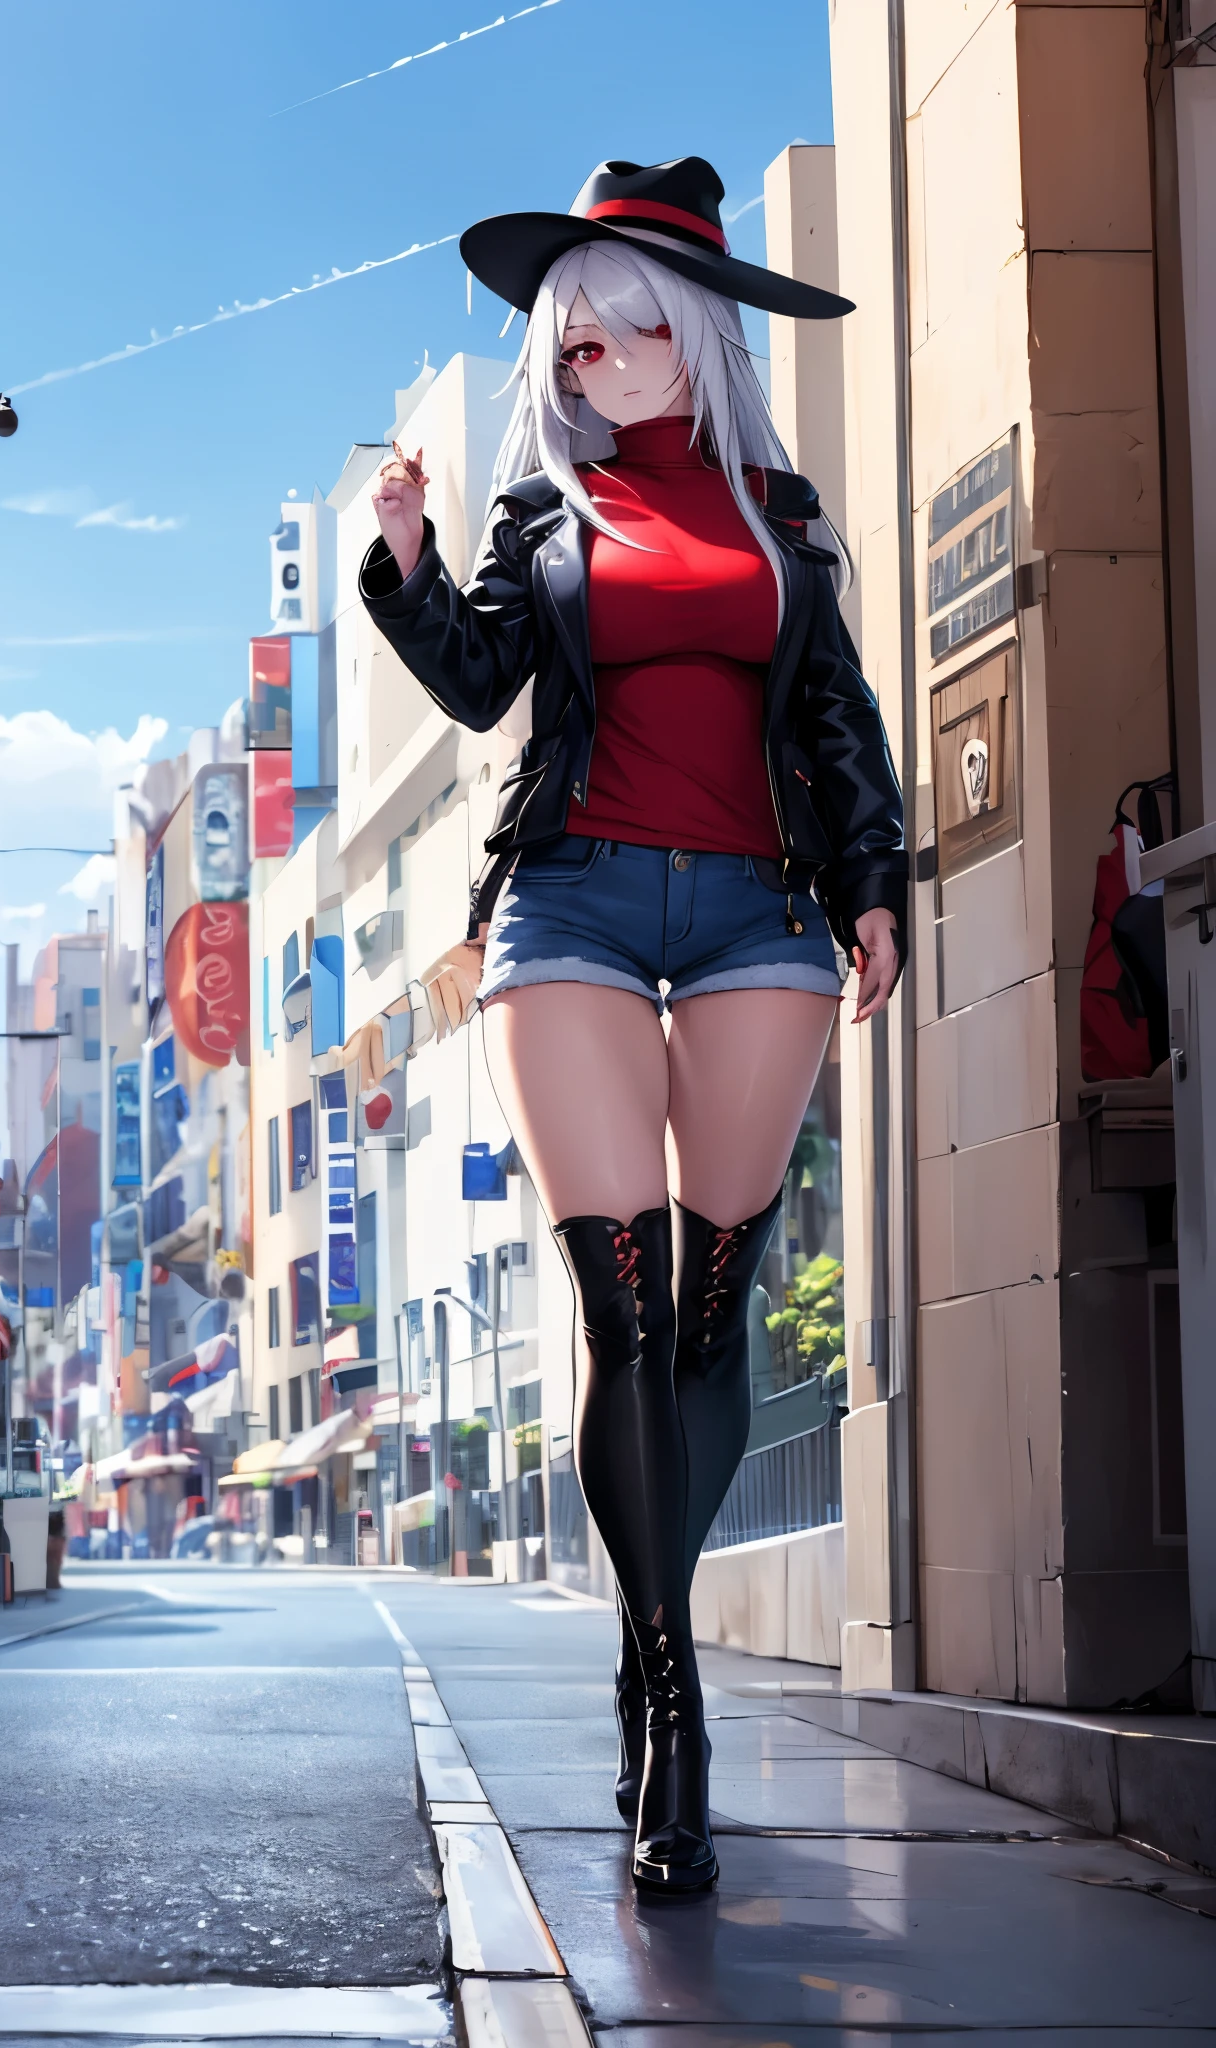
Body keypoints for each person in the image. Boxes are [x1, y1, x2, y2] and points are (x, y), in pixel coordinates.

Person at [359, 158, 907, 1896]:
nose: (582, 367)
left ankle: (642, 1620)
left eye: (608, 338)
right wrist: (402, 563)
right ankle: (675, 1710)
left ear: (688, 337)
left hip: (759, 914)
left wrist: (874, 882)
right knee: (620, 1306)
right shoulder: (541, 520)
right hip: (574, 902)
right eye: (565, 348)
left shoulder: (782, 514)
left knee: (711, 1318)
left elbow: (838, 718)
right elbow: (476, 682)